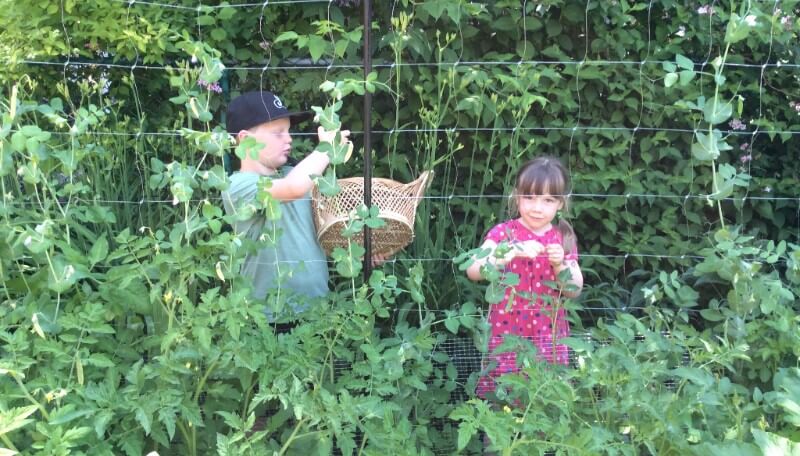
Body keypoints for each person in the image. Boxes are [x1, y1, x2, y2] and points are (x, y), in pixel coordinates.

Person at [221, 90, 353, 323]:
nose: (289, 139)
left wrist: (367, 247)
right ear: (244, 139)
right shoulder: (237, 187)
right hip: (267, 319)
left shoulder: (296, 174)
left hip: (317, 313)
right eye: (278, 133)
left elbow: (327, 230)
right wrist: (327, 150)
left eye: (289, 131)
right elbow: (293, 188)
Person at [466, 156, 583, 399]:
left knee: (544, 392)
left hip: (547, 332)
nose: (537, 208)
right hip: (507, 330)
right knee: (503, 392)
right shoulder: (504, 233)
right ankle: (498, 436)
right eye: (529, 197)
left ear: (561, 204)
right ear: (516, 196)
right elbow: (473, 270)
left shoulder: (563, 236)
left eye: (548, 200)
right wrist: (509, 251)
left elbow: (574, 289)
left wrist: (560, 264)